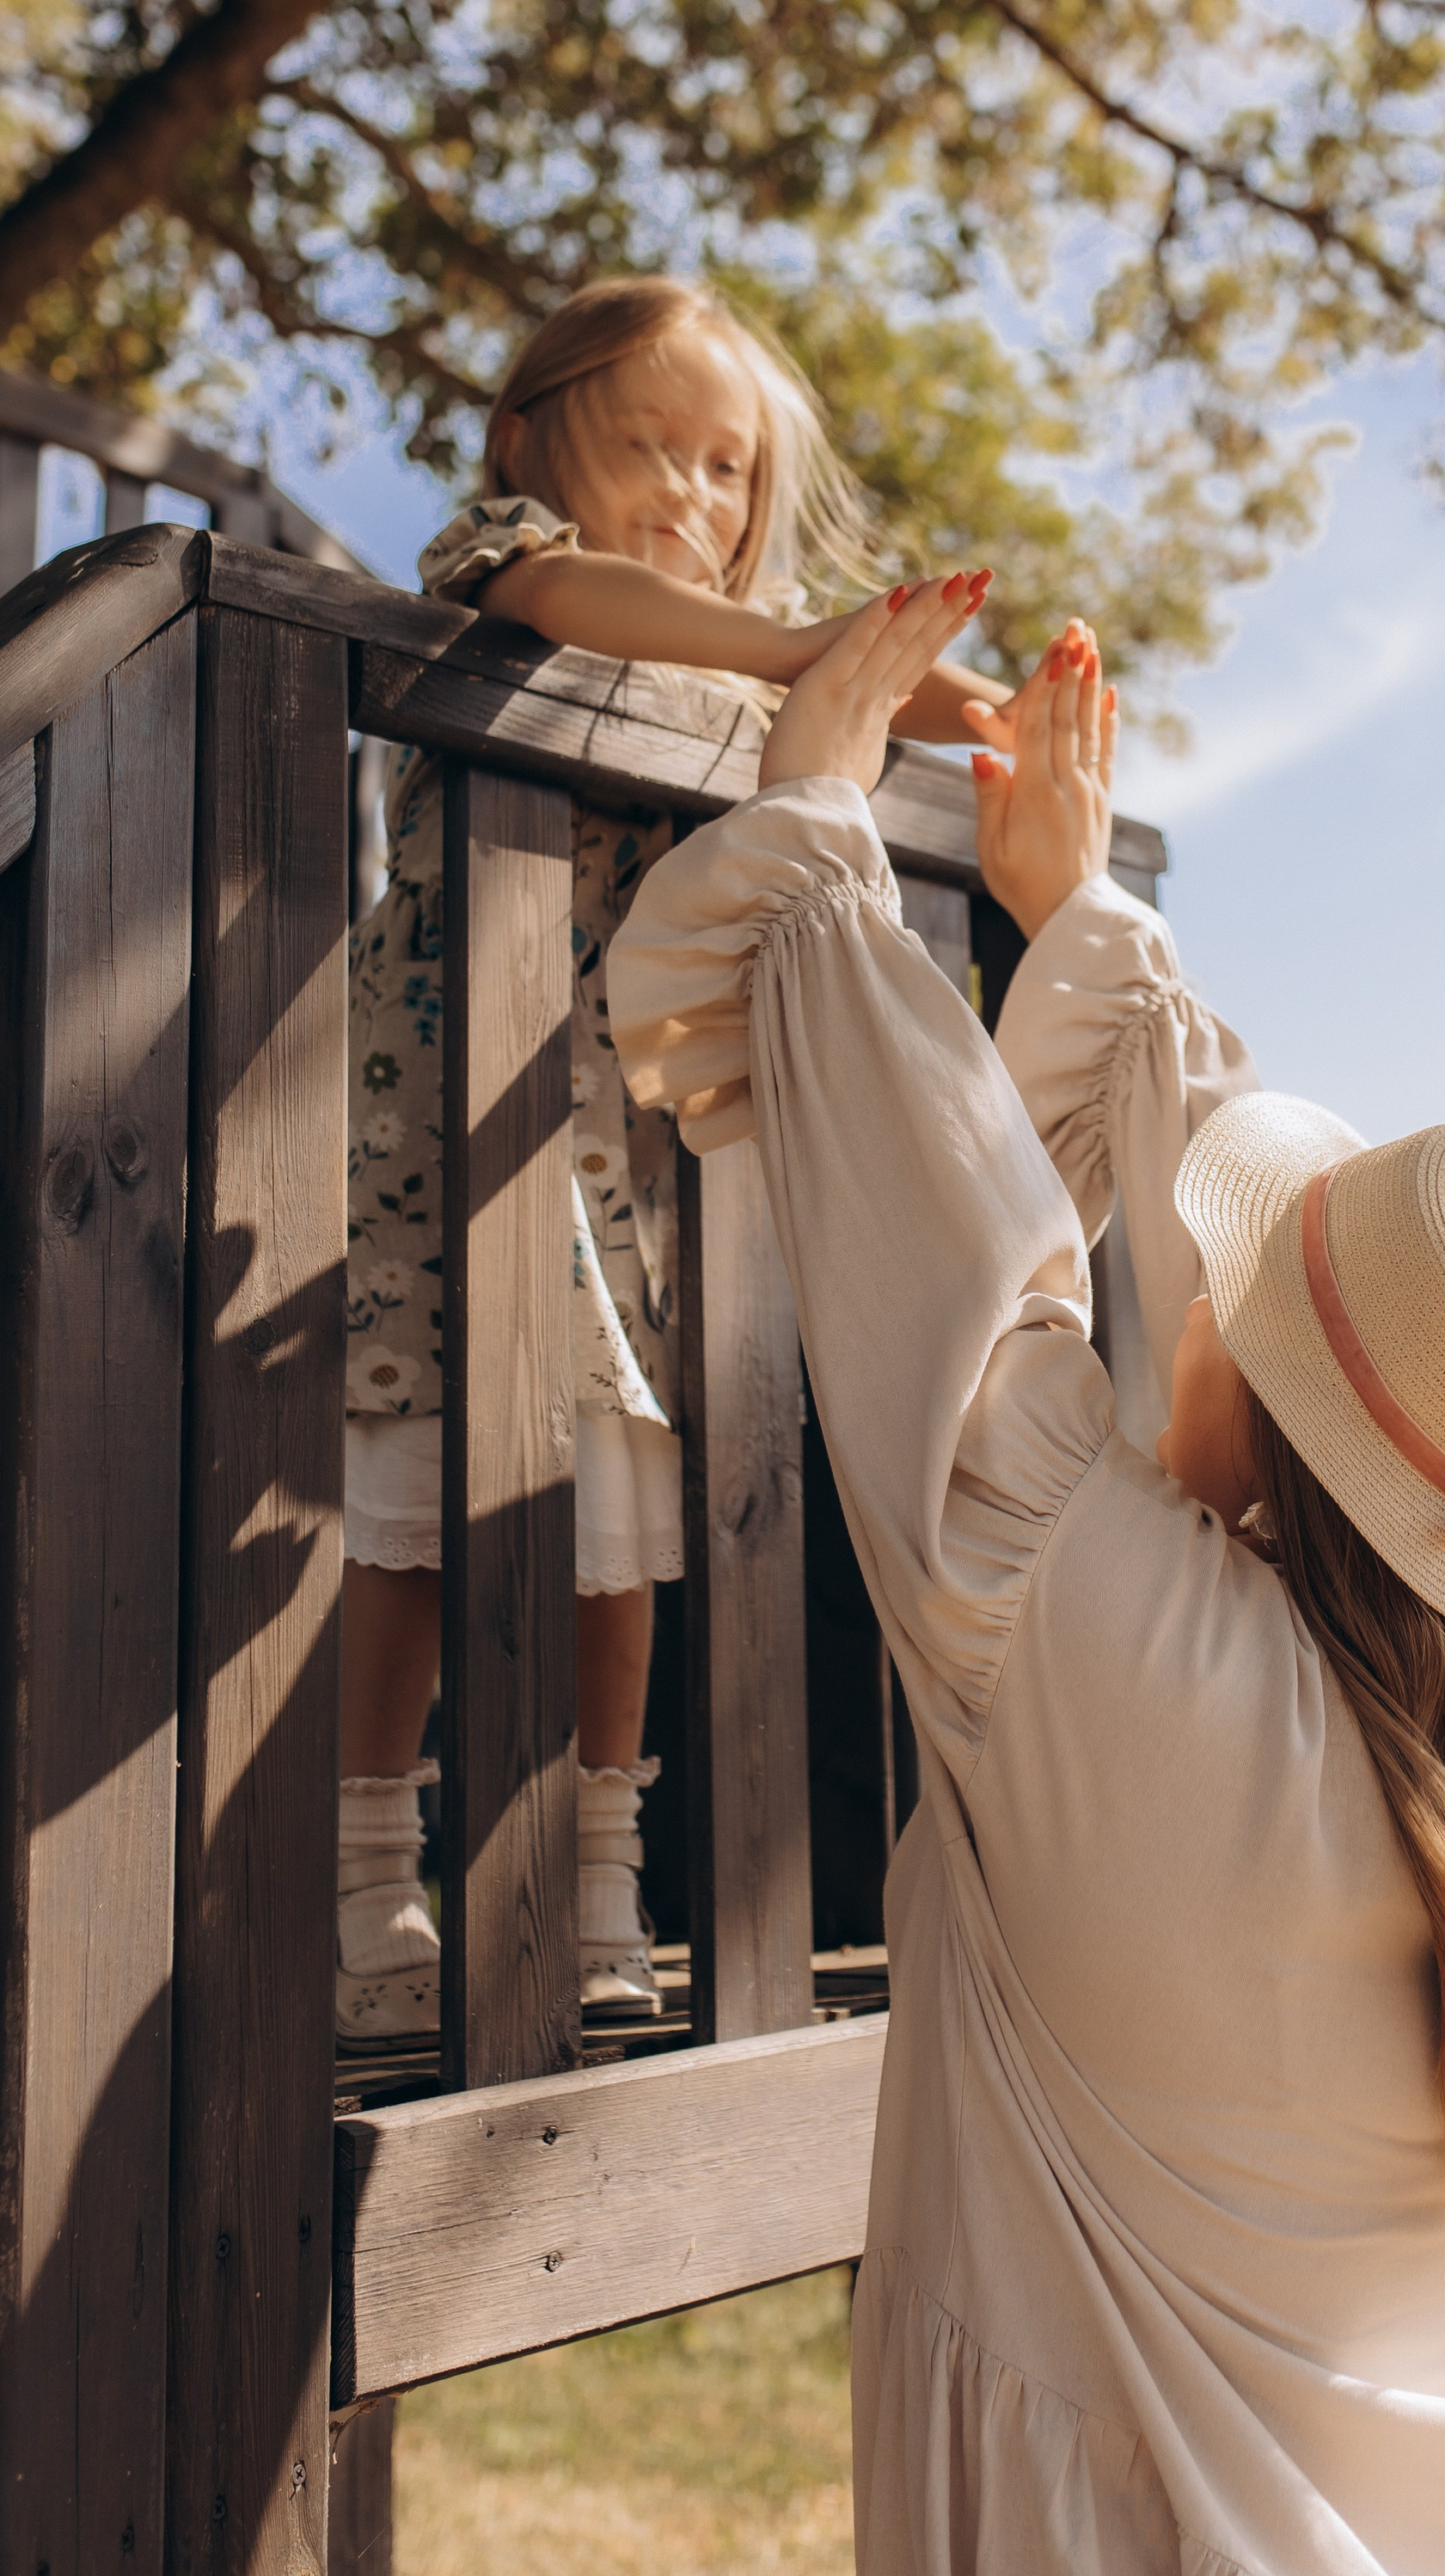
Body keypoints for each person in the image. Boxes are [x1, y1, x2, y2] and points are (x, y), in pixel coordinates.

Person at [608, 587, 1445, 2575]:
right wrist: (1087, 920)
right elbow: (1133, 1268)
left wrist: (818, 832)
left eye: (1232, 1289)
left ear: (1263, 1387)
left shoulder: (1127, 1650)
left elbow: (956, 1283)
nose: (1183, 1301)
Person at [336, 277, 999, 2042]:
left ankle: (598, 1876)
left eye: (729, 474)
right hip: (456, 1135)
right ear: (527, 435)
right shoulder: (513, 561)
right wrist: (816, 655)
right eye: (655, 450)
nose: (695, 505)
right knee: (409, 1499)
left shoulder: (721, 683)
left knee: (619, 1528)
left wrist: (918, 707)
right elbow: (577, 597)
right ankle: (359, 1885)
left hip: (627, 1158)